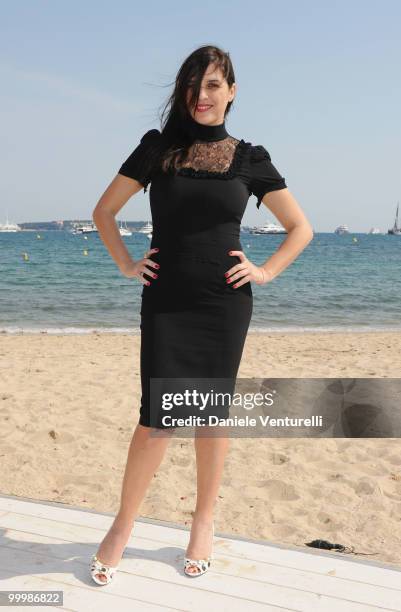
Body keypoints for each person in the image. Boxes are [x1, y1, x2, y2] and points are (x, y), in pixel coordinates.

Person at [90, 45, 313, 584]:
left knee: (211, 418)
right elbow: (104, 212)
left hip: (223, 304)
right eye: (193, 86)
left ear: (231, 92)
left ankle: (204, 523)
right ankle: (123, 525)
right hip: (166, 300)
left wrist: (265, 271)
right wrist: (126, 263)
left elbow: (299, 228)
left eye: (213, 85)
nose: (202, 96)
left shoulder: (250, 157)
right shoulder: (156, 149)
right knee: (157, 421)